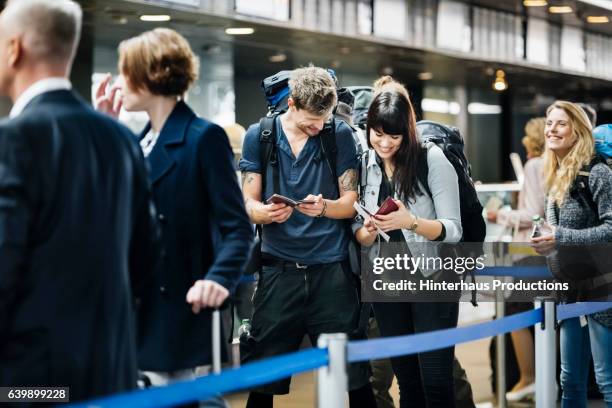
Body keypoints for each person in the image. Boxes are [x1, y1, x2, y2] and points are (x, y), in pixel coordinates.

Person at [0, 0, 158, 402]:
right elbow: (146, 256)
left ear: (14, 48)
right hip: (112, 366)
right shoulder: (121, 140)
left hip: (32, 379)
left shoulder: (15, 138)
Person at [95, 28, 253, 403]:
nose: (120, 81)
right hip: (129, 313)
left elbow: (238, 228)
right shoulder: (135, 142)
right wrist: (107, 128)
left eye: (126, 71)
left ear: (151, 75)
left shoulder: (203, 138)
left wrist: (217, 279)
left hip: (174, 314)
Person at [239, 66, 376, 407]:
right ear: (292, 103)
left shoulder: (338, 135)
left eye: (324, 119)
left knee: (354, 378)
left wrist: (326, 207)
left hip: (332, 273)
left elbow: (349, 203)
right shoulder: (260, 136)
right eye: (311, 120)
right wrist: (264, 213)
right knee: (262, 381)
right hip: (277, 274)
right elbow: (247, 202)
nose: (318, 127)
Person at [353, 79, 463, 407]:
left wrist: (409, 222)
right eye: (377, 133)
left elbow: (452, 229)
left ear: (408, 131)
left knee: (436, 380)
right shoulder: (365, 163)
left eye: (394, 136)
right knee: (407, 380)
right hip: (386, 279)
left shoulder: (432, 159)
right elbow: (358, 230)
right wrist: (368, 231)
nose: (384, 143)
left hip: (433, 278)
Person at [532, 100, 612, 408]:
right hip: (570, 290)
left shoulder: (599, 173)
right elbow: (559, 230)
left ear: (578, 130)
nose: (552, 129)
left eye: (561, 123)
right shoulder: (557, 172)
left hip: (601, 288)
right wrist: (546, 237)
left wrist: (561, 237)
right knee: (569, 380)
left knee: (606, 380)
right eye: (549, 122)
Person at [487, 117, 546, 402]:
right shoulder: (552, 165)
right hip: (543, 254)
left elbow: (534, 214)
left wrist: (501, 215)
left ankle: (528, 377)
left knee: (516, 313)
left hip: (529, 253)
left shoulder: (535, 165)